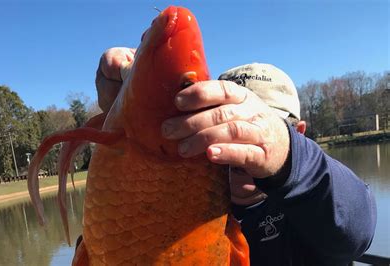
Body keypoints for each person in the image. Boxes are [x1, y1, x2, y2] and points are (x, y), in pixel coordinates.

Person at [92, 47, 377, 266]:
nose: (237, 137)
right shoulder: (177, 195)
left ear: (298, 133)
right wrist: (127, 110)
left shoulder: (315, 198)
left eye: (254, 126)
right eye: (221, 124)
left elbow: (357, 228)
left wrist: (284, 154)